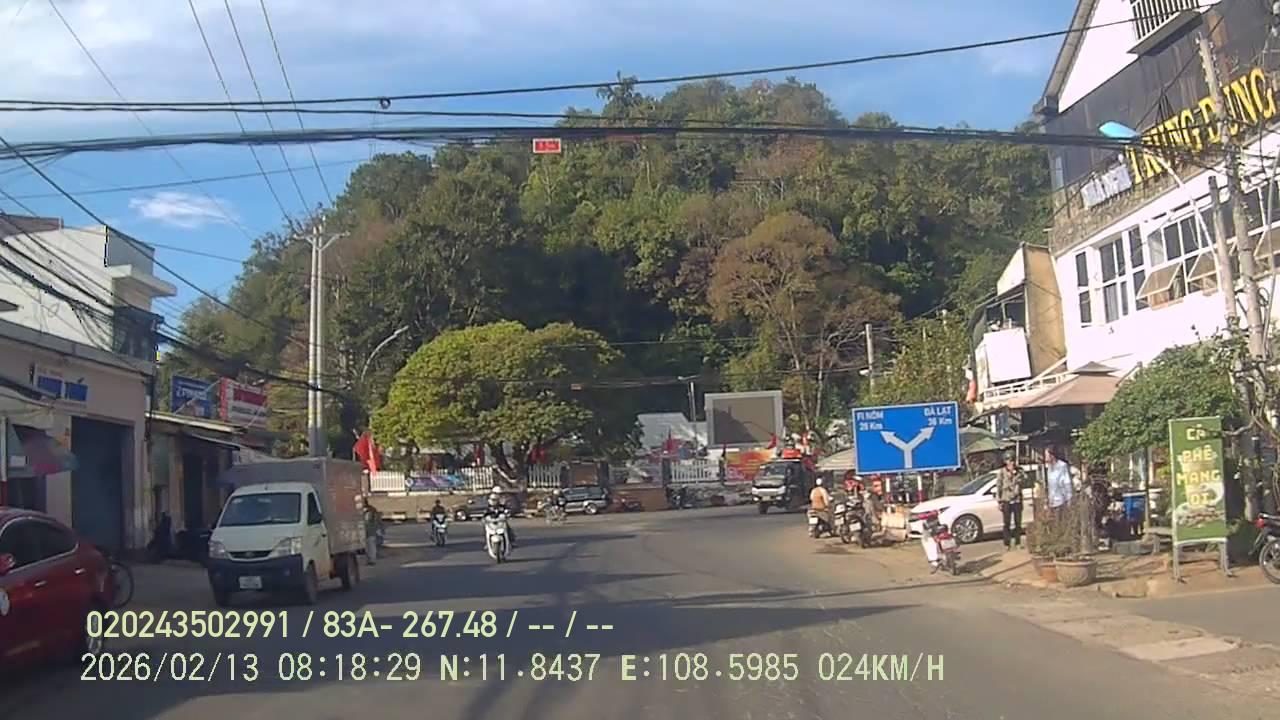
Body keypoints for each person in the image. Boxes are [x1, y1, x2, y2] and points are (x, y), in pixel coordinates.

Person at [996, 453, 1024, 550]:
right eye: (1009, 460)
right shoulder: (1002, 472)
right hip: (1006, 499)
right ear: (1005, 461)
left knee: (1018, 522)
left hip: (1017, 500)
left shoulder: (1019, 471)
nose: (1012, 462)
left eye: (1013, 460)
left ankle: (1018, 542)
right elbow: (999, 486)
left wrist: (1016, 474)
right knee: (1006, 523)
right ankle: (1007, 543)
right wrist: (999, 501)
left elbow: (1023, 481)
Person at [1044, 445, 1073, 520]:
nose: (1045, 458)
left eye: (1046, 455)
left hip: (1061, 501)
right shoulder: (1049, 468)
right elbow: (1050, 486)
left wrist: (1069, 498)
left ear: (1052, 456)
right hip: (1052, 502)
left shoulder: (1062, 466)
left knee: (1060, 521)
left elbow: (1067, 483)